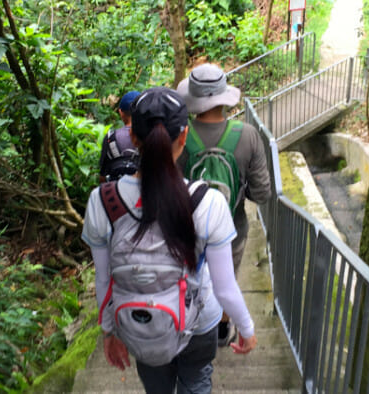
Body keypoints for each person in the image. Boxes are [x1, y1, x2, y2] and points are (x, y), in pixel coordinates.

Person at [82, 87, 257, 393]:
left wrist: (109, 331)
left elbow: (103, 279)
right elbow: (225, 287)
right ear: (184, 136)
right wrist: (246, 328)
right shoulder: (208, 201)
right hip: (200, 321)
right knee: (196, 381)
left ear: (133, 136)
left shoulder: (103, 201)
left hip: (140, 322)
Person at [176, 63, 271, 347]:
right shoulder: (248, 135)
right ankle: (221, 332)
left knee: (189, 277)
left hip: (185, 229)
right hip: (232, 228)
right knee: (225, 280)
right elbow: (262, 193)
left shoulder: (179, 137)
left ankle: (187, 325)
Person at [98, 90, 141, 182]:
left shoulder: (111, 137)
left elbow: (102, 175)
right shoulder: (152, 136)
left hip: (116, 189)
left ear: (121, 112)